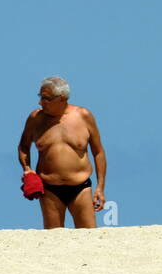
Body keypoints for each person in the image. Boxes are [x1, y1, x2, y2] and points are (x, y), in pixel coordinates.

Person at [17, 76, 107, 229]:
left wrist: (100, 187)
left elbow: (98, 152)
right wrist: (27, 168)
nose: (40, 102)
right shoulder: (35, 119)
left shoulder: (83, 116)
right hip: (49, 189)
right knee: (53, 239)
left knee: (88, 238)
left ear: (62, 98)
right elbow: (23, 146)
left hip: (81, 187)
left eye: (46, 98)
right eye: (40, 97)